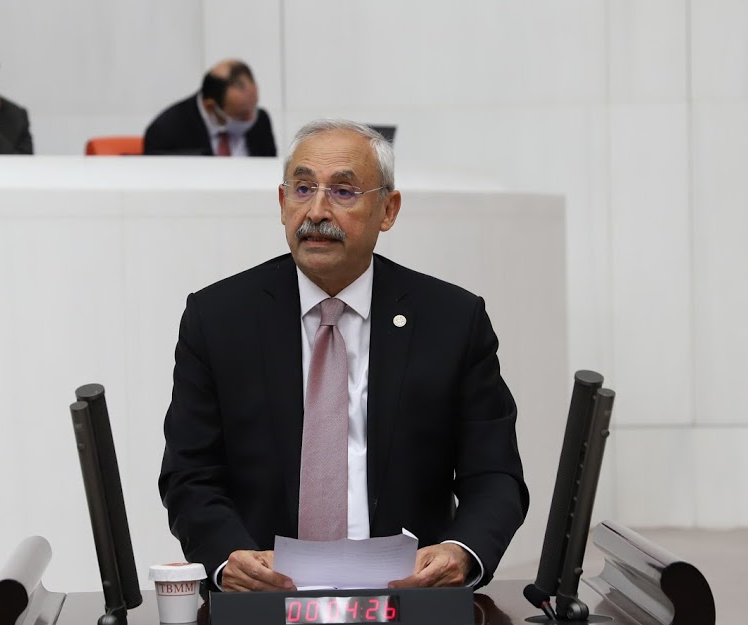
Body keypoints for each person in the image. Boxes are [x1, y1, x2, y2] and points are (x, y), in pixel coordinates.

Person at [159, 119, 528, 593]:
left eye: (343, 192)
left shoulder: (452, 320)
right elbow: (190, 475)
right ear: (281, 203)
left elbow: (494, 474)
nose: (317, 211)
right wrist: (228, 559)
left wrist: (461, 551)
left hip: (409, 600)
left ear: (388, 210)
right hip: (264, 603)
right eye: (303, 189)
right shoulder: (218, 319)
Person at [143, 59, 276, 157]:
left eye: (253, 106)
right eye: (242, 115)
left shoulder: (261, 121)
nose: (251, 118)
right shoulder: (166, 132)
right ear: (211, 106)